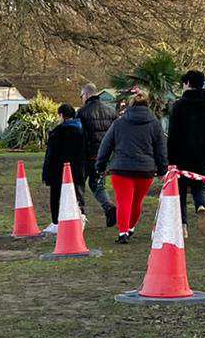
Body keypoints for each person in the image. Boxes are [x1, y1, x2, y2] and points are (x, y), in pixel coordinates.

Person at [94, 87, 167, 243]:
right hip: (145, 170)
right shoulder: (154, 123)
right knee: (137, 201)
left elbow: (105, 145)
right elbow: (161, 149)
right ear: (148, 104)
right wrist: (162, 170)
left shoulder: (119, 123)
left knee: (123, 201)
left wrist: (100, 166)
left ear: (129, 104)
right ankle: (131, 227)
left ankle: (123, 233)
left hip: (121, 168)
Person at [167, 69, 205, 223]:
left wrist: (170, 159)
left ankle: (183, 224)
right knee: (197, 182)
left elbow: (173, 133)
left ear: (187, 83)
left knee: (180, 189)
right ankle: (200, 205)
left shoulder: (179, 105)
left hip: (182, 153)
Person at [41, 103, 88, 230]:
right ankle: (80, 216)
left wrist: (46, 174)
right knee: (77, 194)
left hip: (58, 170)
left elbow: (51, 155)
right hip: (77, 169)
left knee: (56, 197)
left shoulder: (58, 132)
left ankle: (57, 222)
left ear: (61, 115)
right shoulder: (82, 130)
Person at [77, 84, 116, 227]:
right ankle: (108, 207)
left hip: (86, 156)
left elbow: (79, 135)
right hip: (104, 157)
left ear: (86, 95)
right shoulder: (111, 111)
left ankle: (80, 214)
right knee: (97, 184)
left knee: (79, 184)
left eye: (81, 96)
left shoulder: (82, 113)